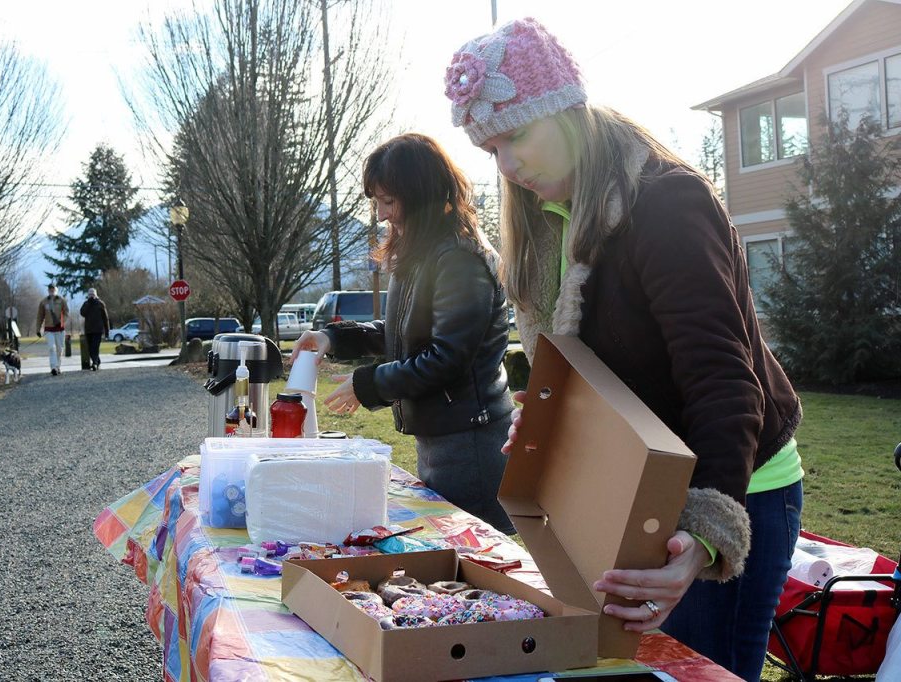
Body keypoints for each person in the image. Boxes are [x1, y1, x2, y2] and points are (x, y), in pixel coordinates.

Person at [444, 18, 803, 682]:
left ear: (568, 109)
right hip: (636, 479)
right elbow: (597, 365)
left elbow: (725, 381)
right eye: (490, 149)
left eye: (516, 136)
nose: (509, 165)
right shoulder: (548, 218)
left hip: (734, 483)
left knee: (690, 672)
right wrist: (548, 422)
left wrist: (704, 538)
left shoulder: (666, 205)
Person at [291, 133, 516, 535]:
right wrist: (333, 338)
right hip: (441, 434)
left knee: (474, 563)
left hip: (471, 442)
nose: (380, 215)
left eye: (388, 201)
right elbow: (402, 333)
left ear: (421, 195)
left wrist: (369, 384)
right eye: (376, 201)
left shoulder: (459, 260)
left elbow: (446, 359)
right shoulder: (424, 253)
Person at [36, 283, 69, 376]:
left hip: (60, 329)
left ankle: (58, 366)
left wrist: (62, 322)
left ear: (56, 289)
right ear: (48, 290)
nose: (52, 290)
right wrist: (38, 329)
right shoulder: (43, 302)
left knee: (59, 349)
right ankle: (53, 367)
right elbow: (39, 317)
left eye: (53, 288)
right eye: (50, 289)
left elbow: (66, 313)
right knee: (52, 348)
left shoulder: (62, 300)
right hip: (49, 329)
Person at [80, 287, 109, 371]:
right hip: (89, 330)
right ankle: (97, 361)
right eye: (90, 294)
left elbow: (105, 318)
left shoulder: (100, 304)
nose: (91, 296)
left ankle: (95, 364)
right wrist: (89, 303)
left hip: (98, 330)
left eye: (93, 294)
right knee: (90, 348)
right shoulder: (86, 304)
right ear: (88, 295)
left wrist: (107, 331)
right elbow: (82, 313)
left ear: (96, 295)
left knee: (95, 347)